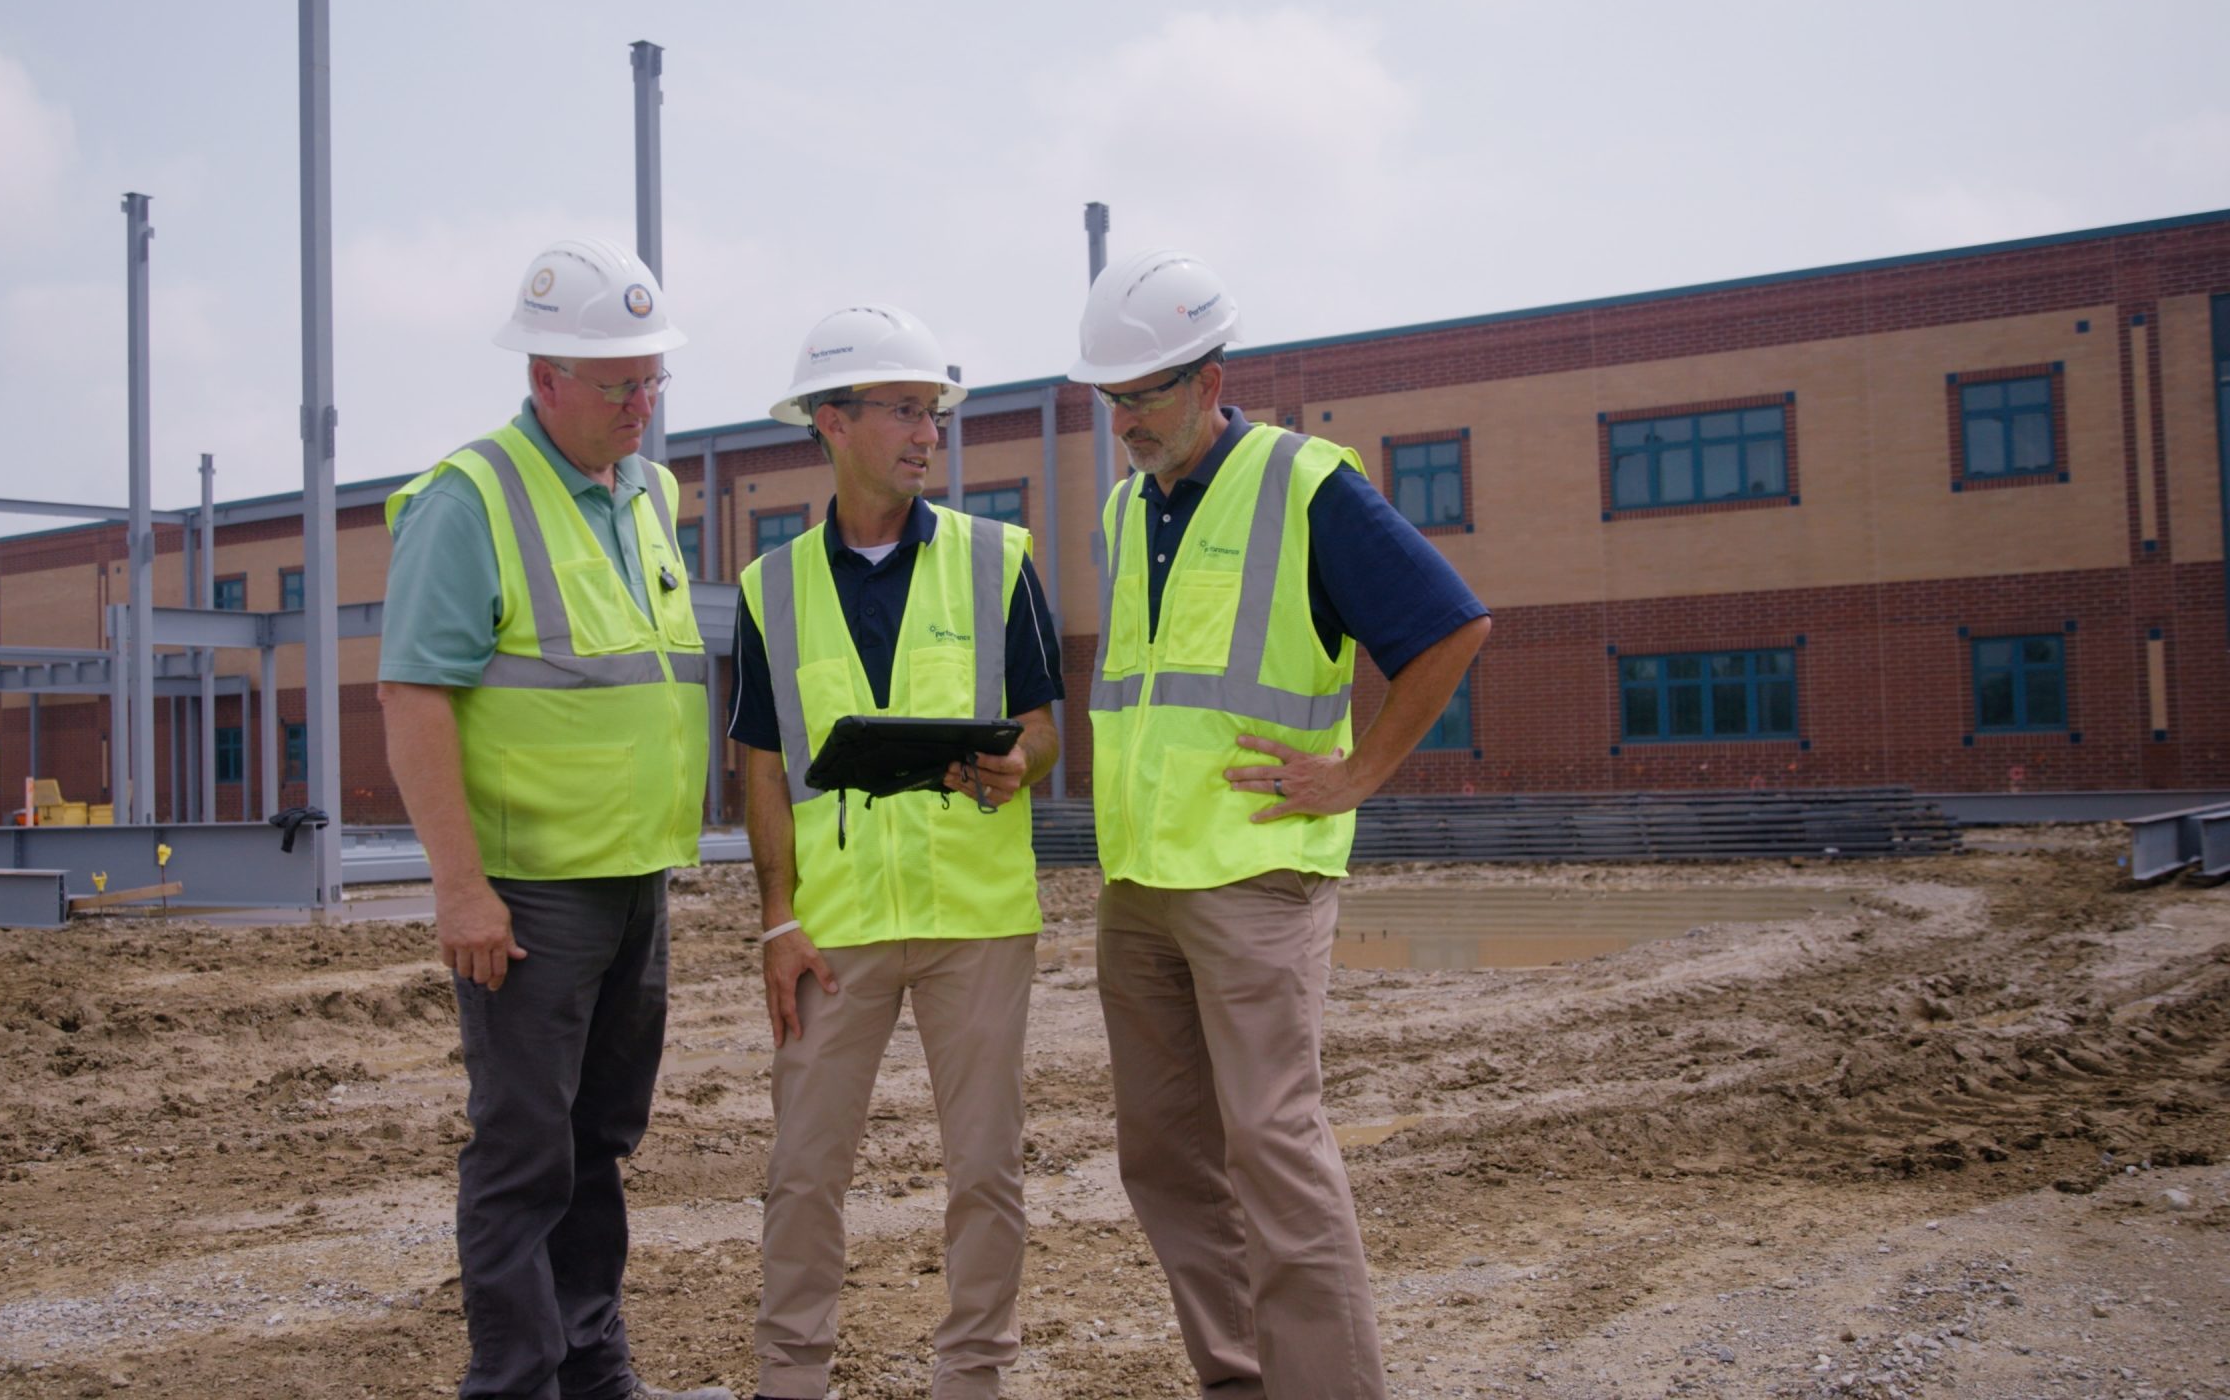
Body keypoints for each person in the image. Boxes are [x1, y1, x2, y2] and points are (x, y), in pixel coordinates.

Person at [1071, 251, 1491, 1400]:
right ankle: (1239, 1380)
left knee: (1273, 1147)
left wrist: (1358, 772)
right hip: (1140, 885)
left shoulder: (1305, 484)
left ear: (1211, 379)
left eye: (1145, 394)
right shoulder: (1123, 510)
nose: (1126, 423)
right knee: (1162, 1157)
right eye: (1110, 400)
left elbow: (1448, 626)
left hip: (1257, 879)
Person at [377, 237, 731, 1400]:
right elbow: (414, 695)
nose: (644, 403)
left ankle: (596, 1377)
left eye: (652, 379)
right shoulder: (468, 500)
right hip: (529, 897)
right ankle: (516, 1384)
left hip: (634, 881)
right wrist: (459, 886)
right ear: (546, 380)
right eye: (620, 383)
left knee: (597, 1146)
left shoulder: (645, 490)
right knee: (526, 1153)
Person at [730, 305, 1064, 1400]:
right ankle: (792, 1380)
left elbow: (1046, 725)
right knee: (803, 1171)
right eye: (906, 411)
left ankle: (973, 1378)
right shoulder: (767, 590)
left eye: (934, 414)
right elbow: (762, 766)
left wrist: (1018, 762)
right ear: (833, 421)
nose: (928, 434)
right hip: (831, 931)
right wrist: (776, 922)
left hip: (975, 919)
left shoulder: (996, 560)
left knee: (986, 1172)